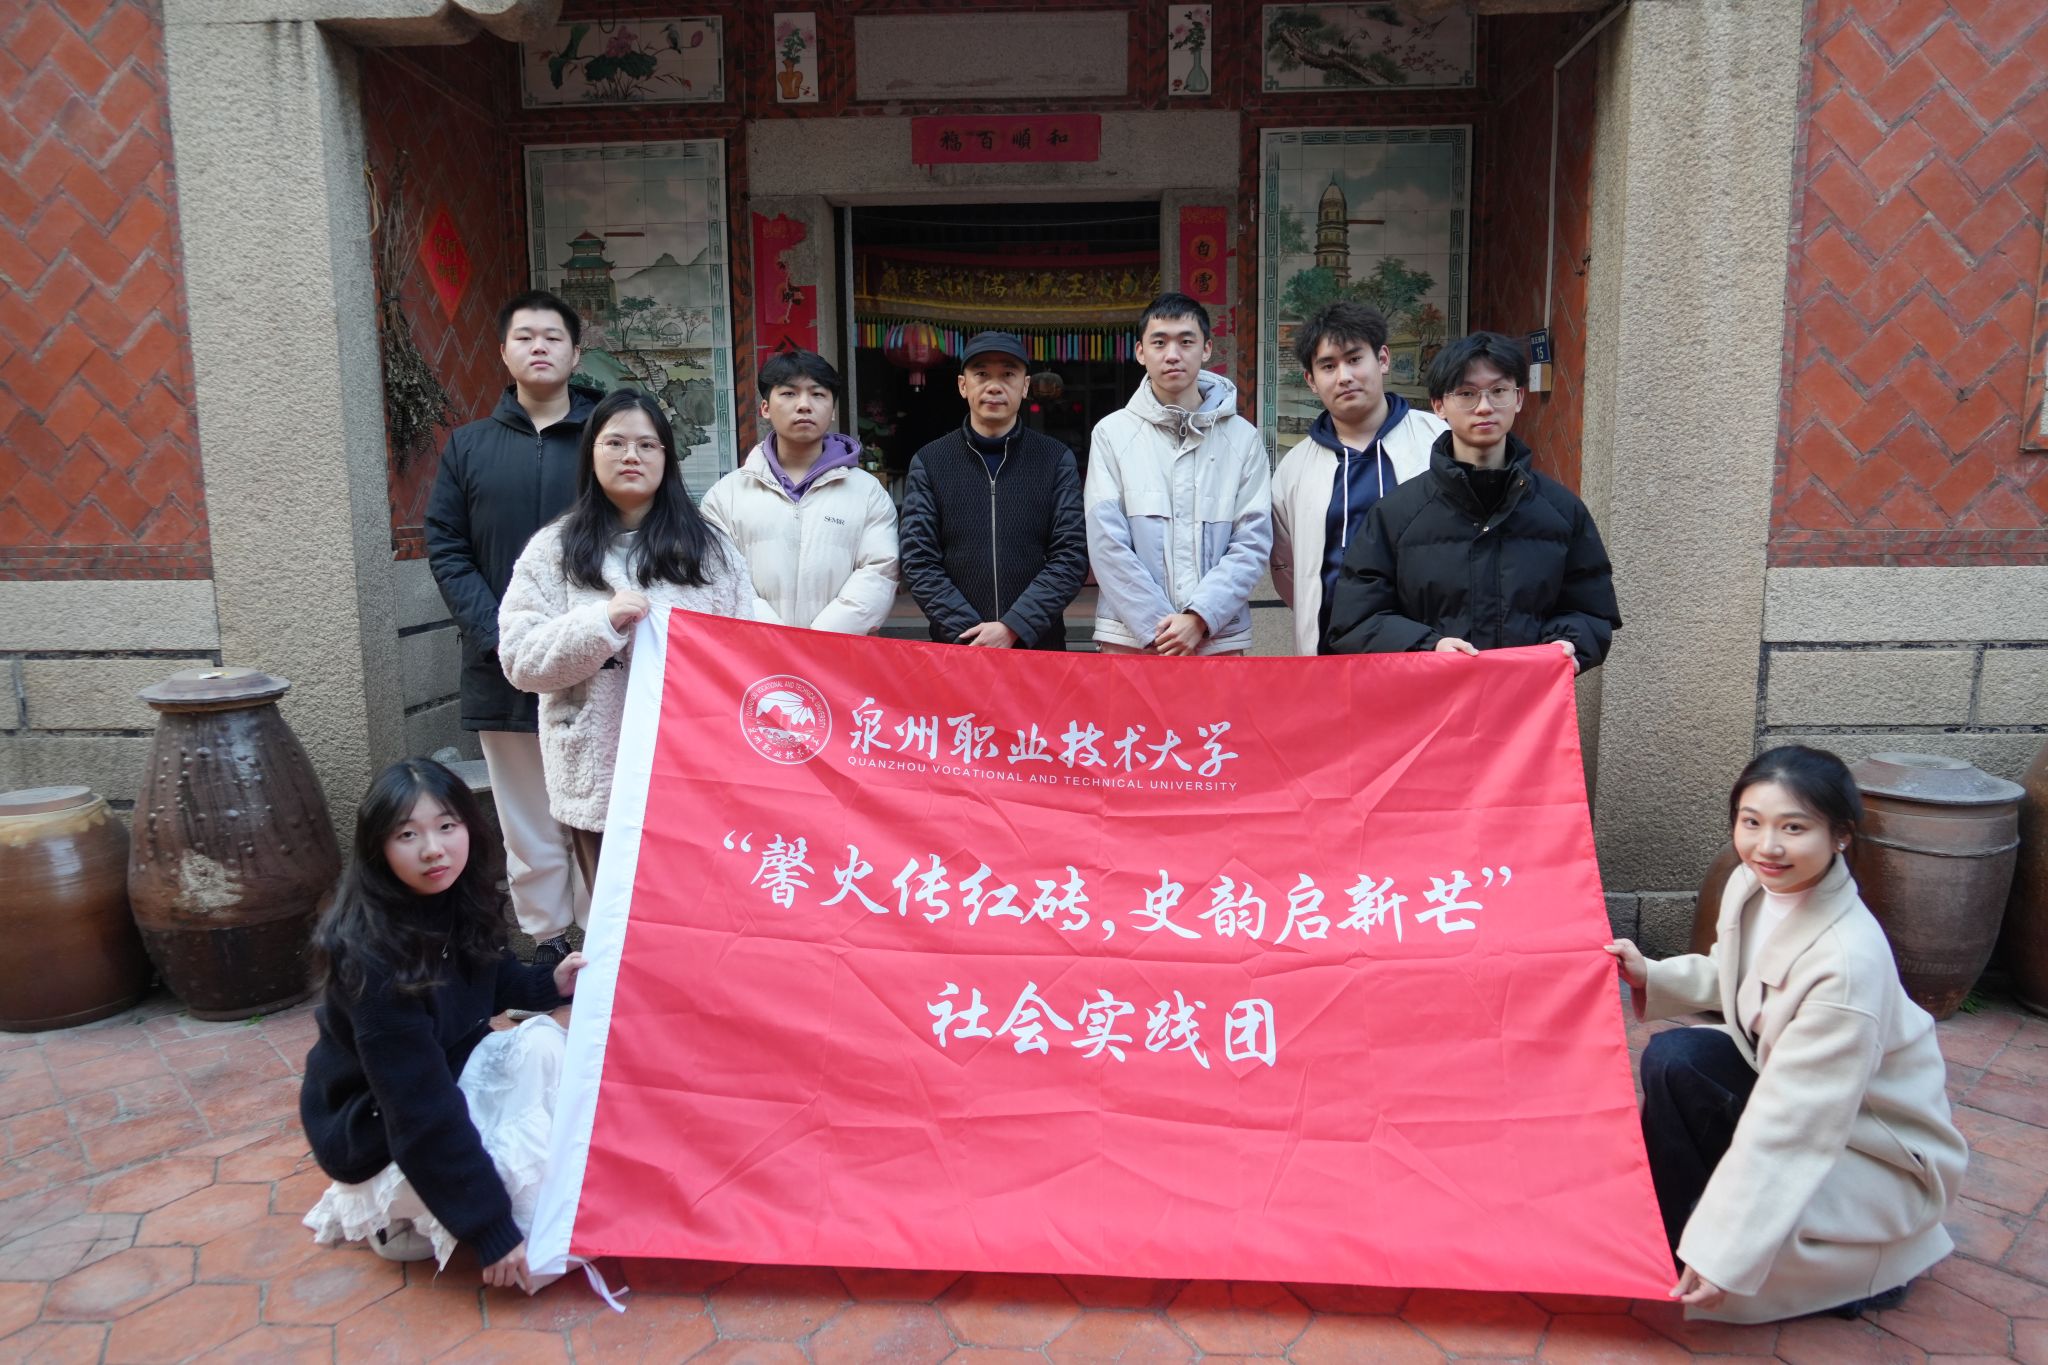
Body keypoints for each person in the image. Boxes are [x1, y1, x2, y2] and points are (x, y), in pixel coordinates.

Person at [1605, 746, 1968, 1324]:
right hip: (1801, 1094)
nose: (1767, 846)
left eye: (1793, 828)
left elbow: (1794, 1124)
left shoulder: (1846, 964)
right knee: (1677, 1057)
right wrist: (1652, 973)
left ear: (1841, 835)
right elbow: (1740, 971)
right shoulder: (1752, 885)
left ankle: (1867, 1270)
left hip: (1868, 1145)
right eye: (1752, 822)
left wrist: (1724, 1249)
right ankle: (1668, 1233)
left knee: (1749, 1218)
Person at [299, 758, 586, 1289]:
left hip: (448, 1073)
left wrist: (551, 984)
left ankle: (439, 1210)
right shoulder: (372, 960)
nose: (433, 849)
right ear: (378, 848)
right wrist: (489, 1227)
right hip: (378, 1127)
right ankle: (400, 1220)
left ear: (468, 828)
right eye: (408, 834)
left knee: (548, 1049)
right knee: (531, 1211)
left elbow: (491, 978)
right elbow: (419, 1110)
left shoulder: (457, 899)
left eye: (446, 826)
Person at [497, 389, 753, 887]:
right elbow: (521, 660)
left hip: (692, 769)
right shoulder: (553, 550)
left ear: (667, 458)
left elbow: (743, 658)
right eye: (615, 443)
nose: (631, 455)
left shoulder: (710, 551)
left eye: (647, 445)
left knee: (691, 905)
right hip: (599, 772)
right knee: (612, 912)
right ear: (591, 453)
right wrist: (600, 625)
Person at [425, 290, 599, 966]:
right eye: (524, 336)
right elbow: (447, 546)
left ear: (576, 353)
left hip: (596, 658)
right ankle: (548, 936)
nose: (539, 347)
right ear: (503, 352)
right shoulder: (469, 446)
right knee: (525, 810)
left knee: (594, 801)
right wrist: (501, 636)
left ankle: (603, 937)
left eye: (553, 336)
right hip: (502, 660)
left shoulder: (605, 437)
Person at [1324, 331, 1620, 669]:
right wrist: (1429, 646)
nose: (1484, 407)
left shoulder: (1563, 511)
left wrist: (1569, 645)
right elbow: (1356, 620)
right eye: (1466, 393)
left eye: (1498, 391)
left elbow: (1591, 611)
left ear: (1519, 398)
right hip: (1432, 697)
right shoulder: (1395, 515)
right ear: (1439, 405)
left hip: (1528, 696)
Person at [1085, 293, 1271, 656]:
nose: (1173, 354)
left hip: (1216, 636)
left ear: (1206, 349)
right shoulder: (1112, 434)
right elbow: (1106, 542)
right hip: (1130, 637)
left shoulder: (1243, 438)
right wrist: (1161, 627)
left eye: (1186, 341)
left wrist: (1200, 617)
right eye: (1159, 342)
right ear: (1141, 352)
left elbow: (1252, 540)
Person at [1271, 301, 1446, 655]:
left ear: (1382, 359)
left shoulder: (1439, 442)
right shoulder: (1294, 469)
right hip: (1331, 647)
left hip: (1427, 645)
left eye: (1354, 359)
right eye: (1328, 366)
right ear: (1311, 380)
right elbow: (1287, 565)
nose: (1344, 376)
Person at [899, 330, 1089, 650]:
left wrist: (1015, 626)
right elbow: (918, 560)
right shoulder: (931, 461)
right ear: (963, 385)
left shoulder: (1055, 459)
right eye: (982, 374)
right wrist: (970, 633)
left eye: (1008, 374)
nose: (994, 386)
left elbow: (1070, 556)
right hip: (958, 646)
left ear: (1025, 386)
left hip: (1037, 645)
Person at [700, 350, 900, 634]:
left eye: (817, 394)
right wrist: (779, 642)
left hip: (839, 650)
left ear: (832, 410)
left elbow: (879, 571)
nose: (804, 405)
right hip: (754, 651)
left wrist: (815, 644)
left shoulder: (868, 493)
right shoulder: (726, 495)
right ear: (765, 408)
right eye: (789, 393)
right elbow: (720, 576)